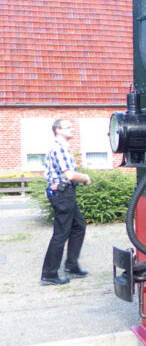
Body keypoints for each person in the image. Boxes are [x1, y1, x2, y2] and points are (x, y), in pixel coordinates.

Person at [40, 119, 91, 285]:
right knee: (60, 234)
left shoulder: (61, 148)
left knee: (78, 226)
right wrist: (85, 178)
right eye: (68, 127)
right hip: (63, 194)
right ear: (58, 130)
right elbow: (70, 175)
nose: (72, 129)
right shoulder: (60, 148)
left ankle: (71, 265)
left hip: (65, 193)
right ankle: (49, 274)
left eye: (72, 126)